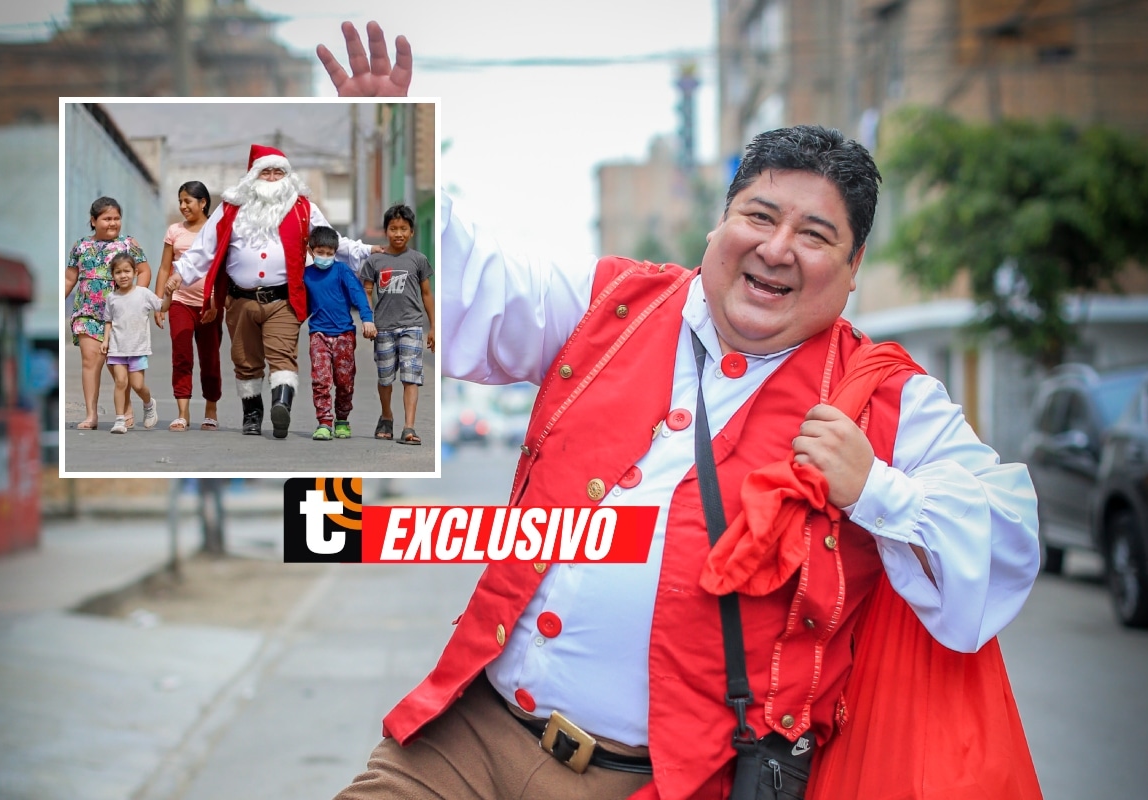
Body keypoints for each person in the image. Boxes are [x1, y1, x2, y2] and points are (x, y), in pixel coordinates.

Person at [318, 23, 1042, 800]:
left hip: (653, 785)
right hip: (468, 735)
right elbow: (478, 286)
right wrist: (388, 160)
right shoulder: (613, 304)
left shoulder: (885, 397)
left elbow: (1005, 535)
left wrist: (876, 490)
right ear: (721, 223)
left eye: (816, 234)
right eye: (760, 217)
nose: (777, 247)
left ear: (854, 267)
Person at [165, 144, 380, 439]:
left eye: (278, 171)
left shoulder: (304, 208)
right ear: (253, 175)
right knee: (245, 361)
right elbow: (204, 247)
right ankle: (252, 415)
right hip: (240, 300)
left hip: (283, 299)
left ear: (287, 175)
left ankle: (281, 406)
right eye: (266, 171)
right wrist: (180, 275)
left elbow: (332, 241)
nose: (272, 177)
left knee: (282, 357)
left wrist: (366, 250)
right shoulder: (230, 208)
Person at [65, 196, 152, 430]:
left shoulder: (128, 244)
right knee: (90, 361)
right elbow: (69, 278)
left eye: (116, 218)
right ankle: (91, 415)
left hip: (120, 318)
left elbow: (144, 271)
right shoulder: (81, 246)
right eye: (106, 219)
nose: (113, 223)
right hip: (87, 313)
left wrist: (137, 298)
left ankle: (126, 409)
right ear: (93, 221)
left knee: (118, 366)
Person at [357, 203, 435, 445]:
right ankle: (387, 416)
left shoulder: (419, 260)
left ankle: (409, 428)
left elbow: (426, 294)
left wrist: (433, 327)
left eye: (403, 228)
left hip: (412, 326)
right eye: (393, 228)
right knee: (385, 379)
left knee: (411, 377)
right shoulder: (375, 262)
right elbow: (366, 292)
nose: (398, 233)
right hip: (384, 328)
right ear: (386, 231)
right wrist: (368, 320)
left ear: (412, 232)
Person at [153, 180, 223, 432]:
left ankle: (211, 410)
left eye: (188, 201)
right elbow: (164, 268)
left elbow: (222, 270)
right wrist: (160, 302)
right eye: (180, 201)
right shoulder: (174, 231)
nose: (183, 206)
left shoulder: (217, 231)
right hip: (179, 302)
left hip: (210, 305)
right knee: (181, 357)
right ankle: (183, 413)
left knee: (210, 358)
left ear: (203, 203)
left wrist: (217, 300)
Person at [305, 225, 378, 441]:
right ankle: (324, 422)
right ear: (311, 251)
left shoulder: (342, 271)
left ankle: (342, 419)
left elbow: (358, 295)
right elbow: (303, 306)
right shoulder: (306, 275)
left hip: (344, 334)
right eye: (320, 252)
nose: (325, 257)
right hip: (318, 333)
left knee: (344, 381)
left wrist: (367, 320)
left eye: (330, 253)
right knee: (321, 379)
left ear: (335, 253)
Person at [100, 253, 164, 434]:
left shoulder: (143, 294)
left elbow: (162, 306)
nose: (123, 275)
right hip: (117, 348)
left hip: (137, 348)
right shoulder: (111, 298)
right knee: (120, 382)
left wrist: (170, 293)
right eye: (118, 272)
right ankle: (120, 419)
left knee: (137, 385)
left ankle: (149, 404)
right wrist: (105, 341)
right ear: (113, 275)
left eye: (127, 271)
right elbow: (108, 321)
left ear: (135, 272)